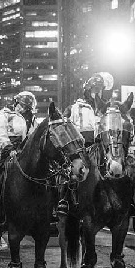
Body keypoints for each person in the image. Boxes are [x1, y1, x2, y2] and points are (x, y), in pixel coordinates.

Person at [53, 72, 114, 218]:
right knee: (72, 170)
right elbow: (63, 128)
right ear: (88, 89)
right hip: (80, 147)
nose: (98, 92)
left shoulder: (106, 108)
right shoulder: (74, 108)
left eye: (100, 89)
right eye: (95, 89)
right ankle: (64, 199)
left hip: (101, 145)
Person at [0, 90, 38, 171]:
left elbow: (34, 135)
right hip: (3, 152)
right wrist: (9, 149)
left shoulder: (31, 119)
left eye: (26, 108)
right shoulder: (4, 114)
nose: (23, 109)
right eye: (22, 105)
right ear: (16, 102)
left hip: (23, 151)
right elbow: (0, 133)